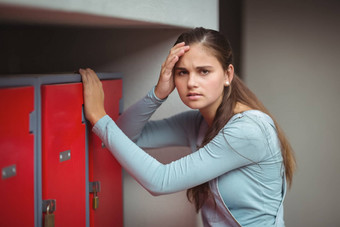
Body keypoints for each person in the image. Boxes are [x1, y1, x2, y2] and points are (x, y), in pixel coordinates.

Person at [80, 27, 296, 227]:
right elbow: (126, 134)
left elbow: (160, 181)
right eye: (182, 72)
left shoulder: (248, 130)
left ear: (227, 75)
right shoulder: (198, 123)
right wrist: (158, 94)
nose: (192, 82)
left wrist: (99, 117)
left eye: (204, 71)